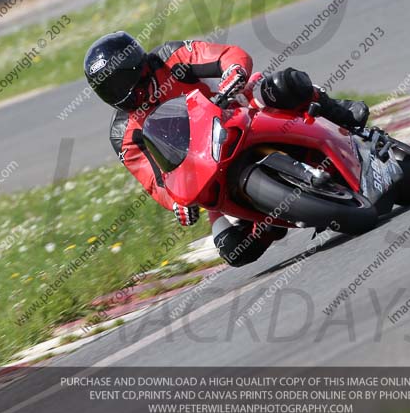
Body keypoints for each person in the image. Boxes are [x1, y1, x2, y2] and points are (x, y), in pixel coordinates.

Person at [83, 32, 369, 267]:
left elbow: (225, 55)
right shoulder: (123, 134)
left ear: (138, 66)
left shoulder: (170, 58)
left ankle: (338, 112)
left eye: (120, 81)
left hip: (238, 110)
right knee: (234, 250)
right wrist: (176, 203)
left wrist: (234, 71)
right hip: (207, 166)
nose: (121, 93)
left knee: (282, 83)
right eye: (108, 89)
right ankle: (269, 221)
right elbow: (155, 181)